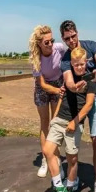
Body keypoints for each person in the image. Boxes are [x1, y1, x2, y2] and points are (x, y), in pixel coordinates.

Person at [42, 46, 96, 192]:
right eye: (76, 64)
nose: (79, 67)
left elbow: (88, 104)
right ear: (71, 63)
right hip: (60, 119)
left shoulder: (90, 80)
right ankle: (59, 189)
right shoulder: (68, 77)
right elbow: (62, 96)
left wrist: (75, 122)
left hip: (74, 122)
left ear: (86, 62)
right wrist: (54, 117)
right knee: (47, 150)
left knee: (72, 158)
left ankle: (70, 189)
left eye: (82, 64)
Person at [59, 20, 96, 192]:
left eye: (73, 36)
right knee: (70, 141)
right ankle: (73, 177)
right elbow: (68, 80)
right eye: (67, 39)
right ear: (63, 39)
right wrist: (73, 86)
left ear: (77, 33)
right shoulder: (65, 58)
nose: (71, 41)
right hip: (77, 100)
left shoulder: (91, 46)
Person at [28, 25, 68, 177]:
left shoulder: (59, 48)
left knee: (55, 124)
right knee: (44, 122)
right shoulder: (36, 59)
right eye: (46, 42)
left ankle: (56, 159)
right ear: (39, 43)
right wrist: (58, 91)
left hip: (58, 82)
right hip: (42, 87)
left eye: (52, 40)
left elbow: (68, 63)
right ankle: (46, 159)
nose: (50, 44)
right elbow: (43, 84)